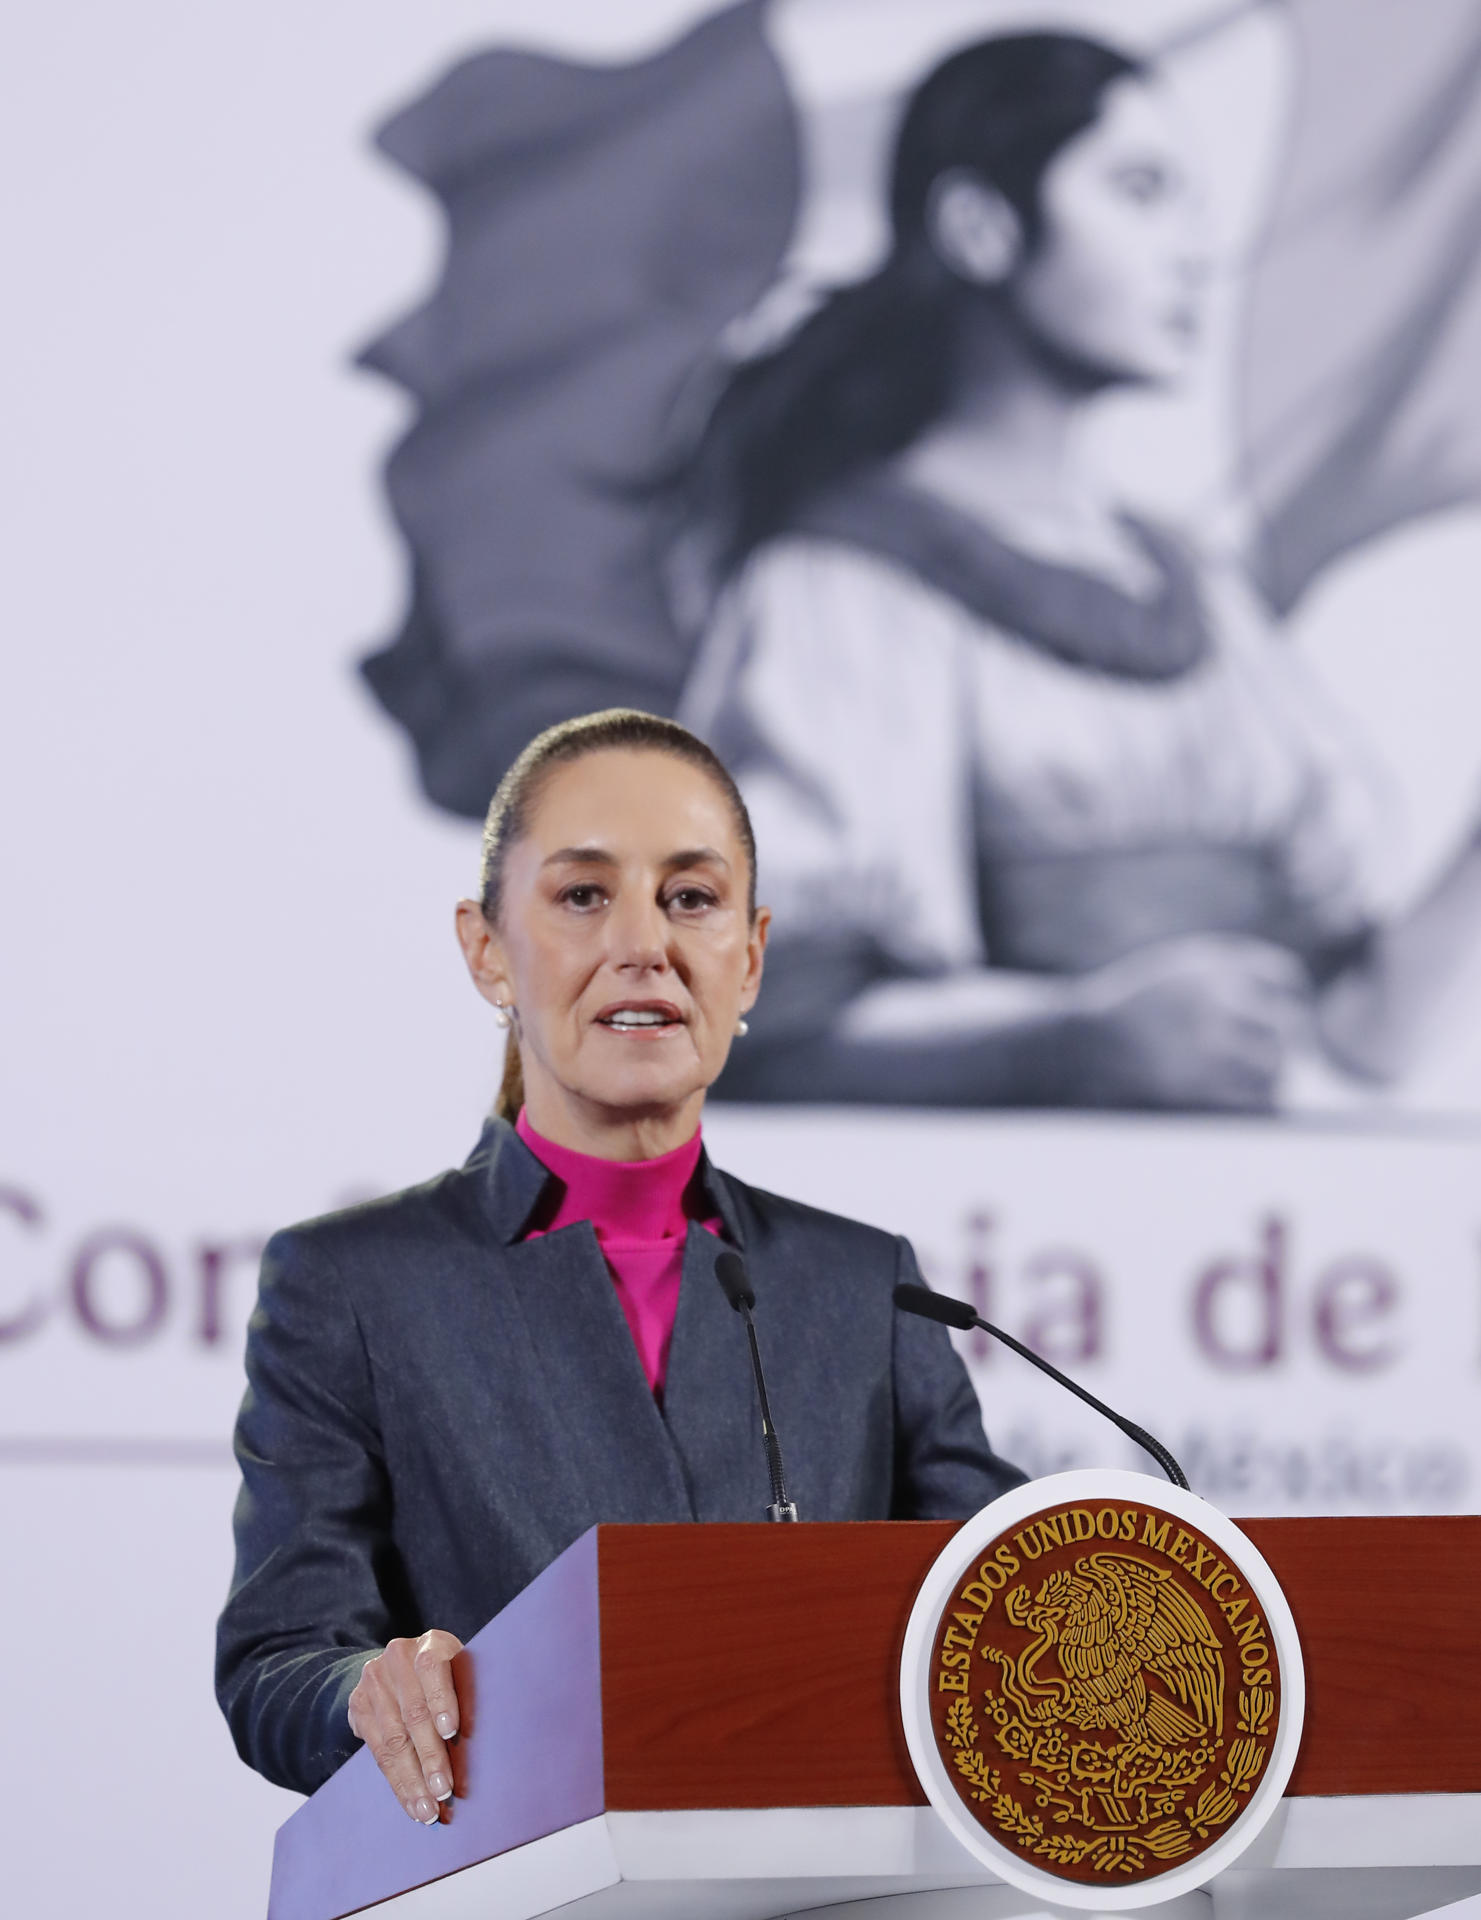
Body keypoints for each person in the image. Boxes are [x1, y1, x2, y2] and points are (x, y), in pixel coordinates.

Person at [215, 708, 1024, 1816]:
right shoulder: (355, 1286)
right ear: (486, 948)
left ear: (748, 958)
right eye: (583, 896)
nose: (643, 943)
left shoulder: (864, 1286)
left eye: (689, 898)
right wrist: (370, 1689)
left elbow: (1011, 1605)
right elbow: (280, 1659)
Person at [677, 31, 1481, 1112]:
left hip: (1252, 1254)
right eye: (1139, 191)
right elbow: (759, 1017)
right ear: (980, 226)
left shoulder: (1197, 596)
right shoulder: (840, 590)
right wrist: (1067, 1039)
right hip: (992, 1249)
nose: (1193, 251)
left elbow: (1354, 1038)